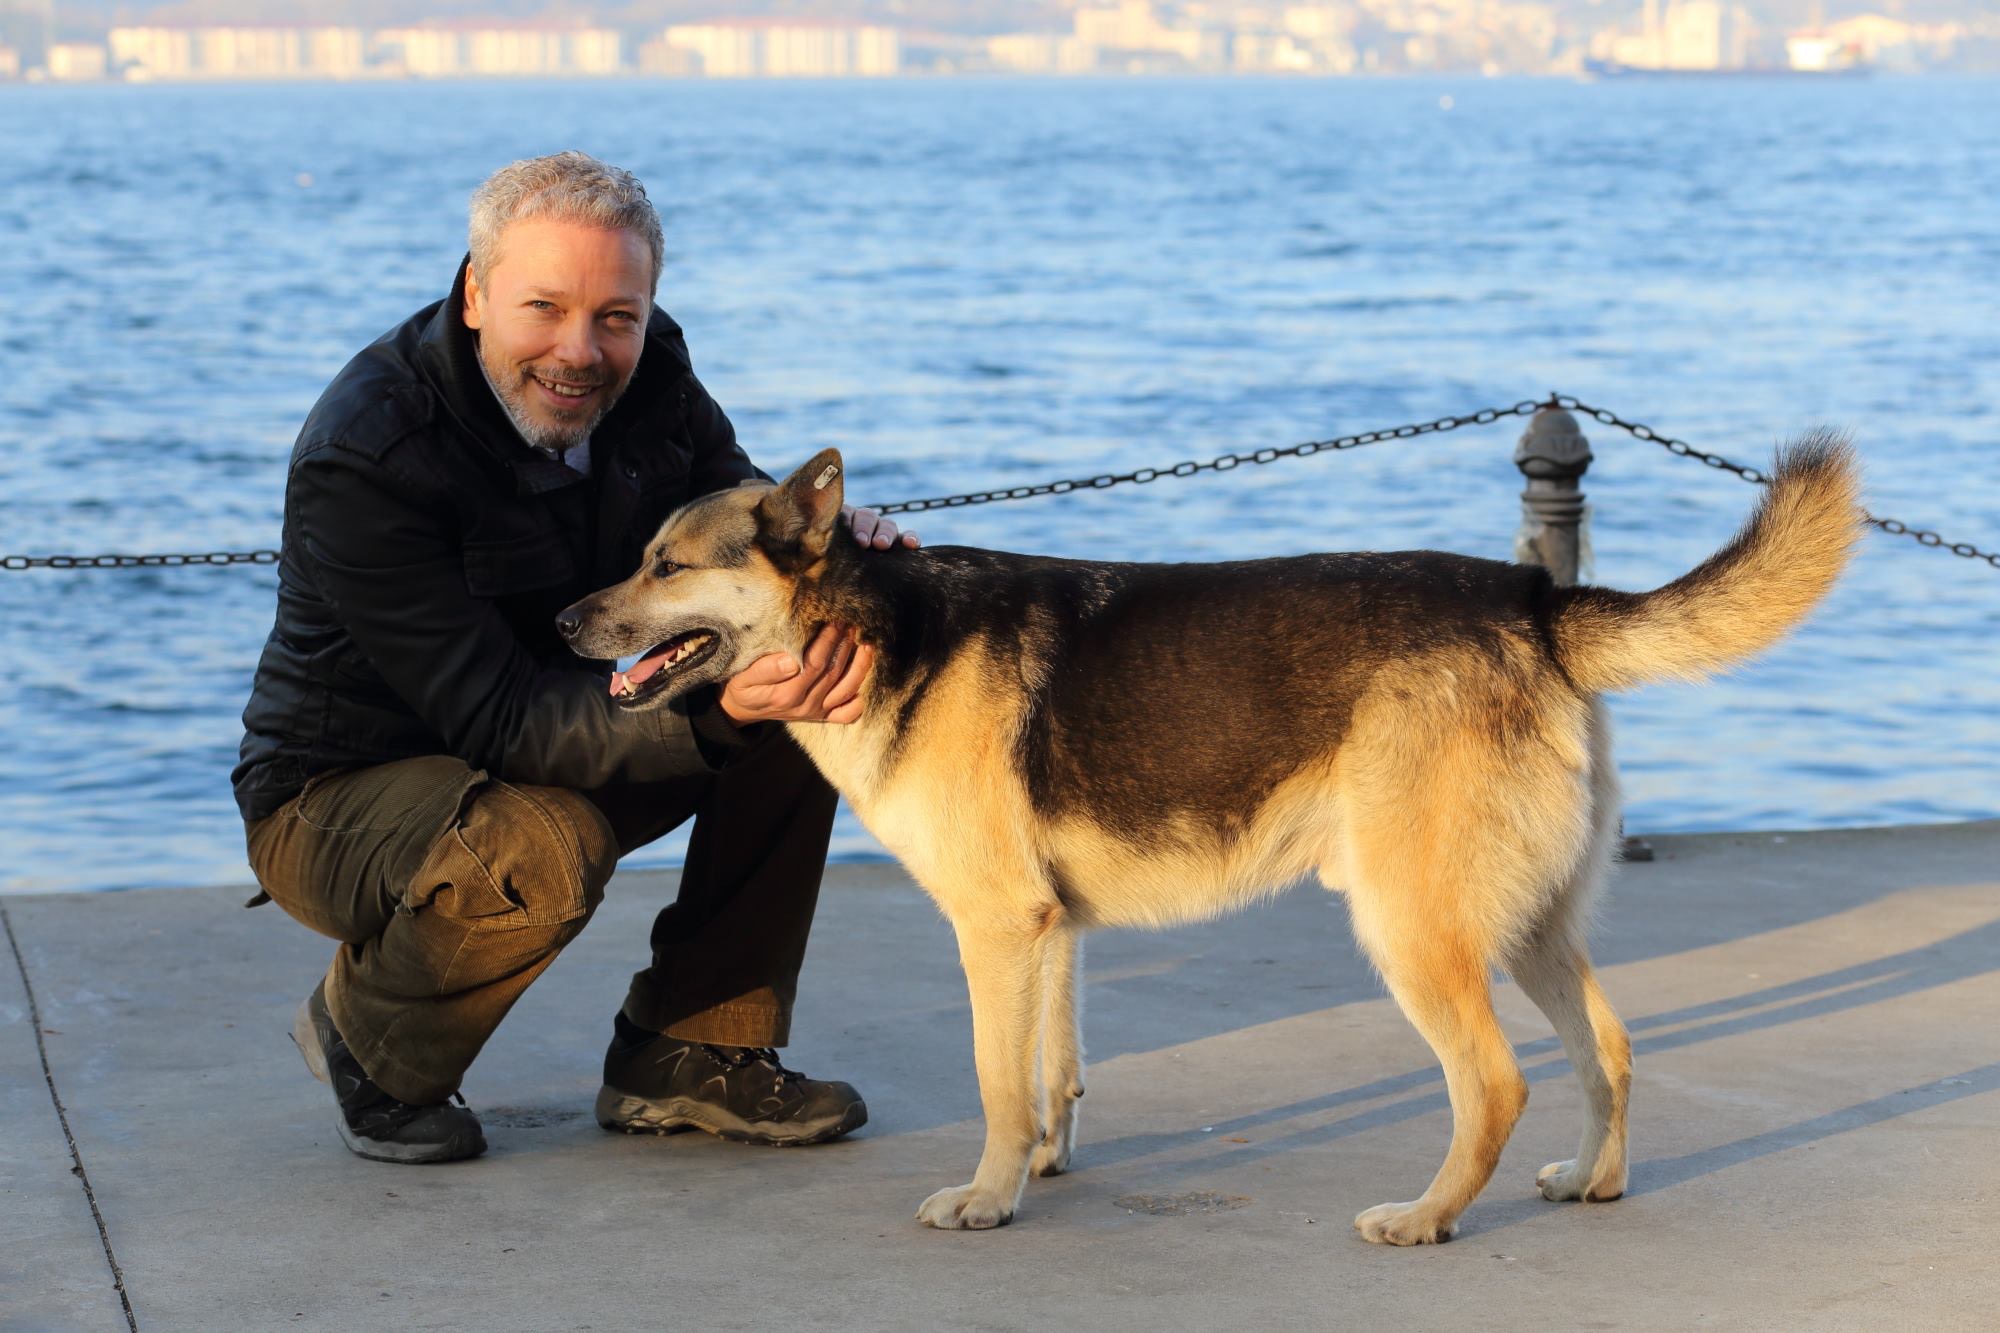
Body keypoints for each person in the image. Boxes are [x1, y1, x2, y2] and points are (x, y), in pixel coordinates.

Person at [232, 151, 916, 1164]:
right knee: (541, 845)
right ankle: (370, 1041)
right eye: (544, 307)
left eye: (615, 316)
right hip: (339, 796)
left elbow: (743, 516)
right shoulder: (369, 454)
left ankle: (690, 1049)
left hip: (550, 729)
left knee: (804, 678)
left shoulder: (655, 371)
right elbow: (504, 720)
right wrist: (720, 707)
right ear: (475, 294)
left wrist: (828, 553)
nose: (580, 350)